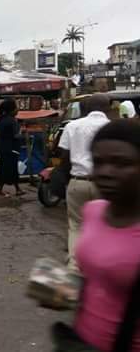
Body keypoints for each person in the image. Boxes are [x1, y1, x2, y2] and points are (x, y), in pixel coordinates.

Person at [69, 119, 140, 351]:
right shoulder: (93, 210)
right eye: (98, 162)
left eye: (122, 163)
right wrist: (61, 289)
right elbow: (97, 279)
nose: (106, 172)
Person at [59, 93, 110, 271]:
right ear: (109, 108)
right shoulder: (113, 127)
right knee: (105, 225)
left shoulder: (72, 126)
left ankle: (74, 269)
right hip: (105, 184)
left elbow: (64, 157)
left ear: (86, 109)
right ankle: (101, 266)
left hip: (77, 181)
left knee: (76, 226)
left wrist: (68, 181)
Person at [0, 98, 25, 197]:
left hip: (5, 147)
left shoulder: (2, 119)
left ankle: (18, 189)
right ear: (11, 110)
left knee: (10, 168)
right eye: (16, 108)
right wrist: (22, 132)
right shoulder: (12, 121)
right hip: (11, 148)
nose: (17, 110)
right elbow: (15, 135)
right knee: (7, 169)